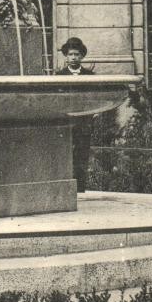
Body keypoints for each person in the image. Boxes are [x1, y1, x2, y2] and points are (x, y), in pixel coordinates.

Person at [56, 37, 94, 193]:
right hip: (66, 121)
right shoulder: (59, 76)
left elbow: (94, 98)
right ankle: (65, 189)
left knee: (82, 154)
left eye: (77, 54)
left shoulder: (89, 76)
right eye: (70, 54)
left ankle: (80, 189)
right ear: (66, 56)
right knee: (65, 154)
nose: (73, 58)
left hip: (84, 122)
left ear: (82, 56)